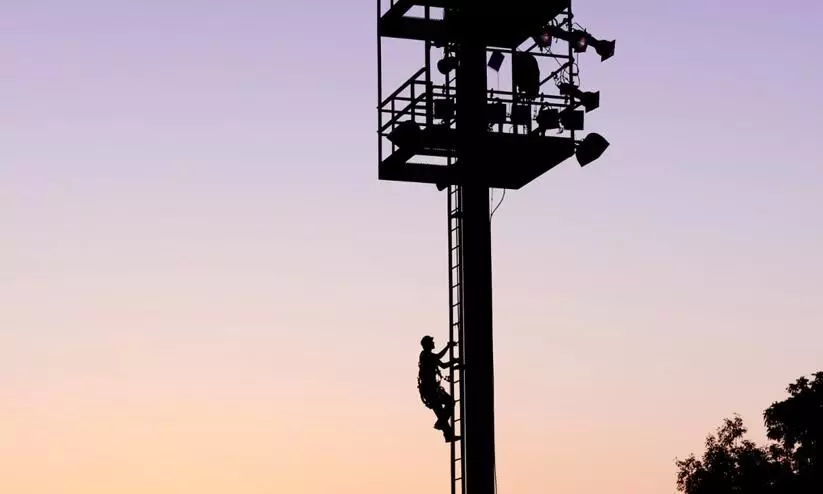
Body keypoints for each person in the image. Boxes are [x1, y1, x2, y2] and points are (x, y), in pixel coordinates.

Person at [417, 335, 461, 442]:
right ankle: (441, 424)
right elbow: (438, 357)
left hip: (431, 391)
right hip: (431, 391)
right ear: (428, 345)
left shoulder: (427, 356)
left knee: (442, 413)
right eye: (432, 342)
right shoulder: (426, 356)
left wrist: (454, 361)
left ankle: (448, 434)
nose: (434, 343)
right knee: (449, 402)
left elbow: (443, 365)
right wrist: (448, 347)